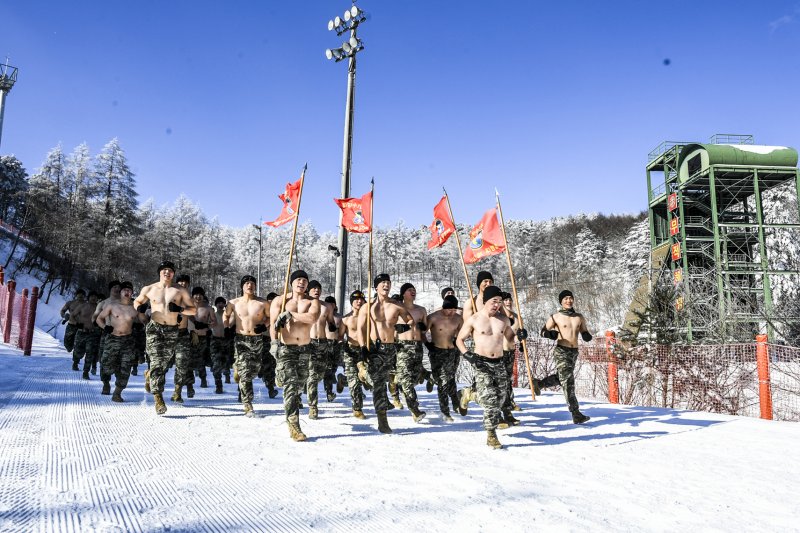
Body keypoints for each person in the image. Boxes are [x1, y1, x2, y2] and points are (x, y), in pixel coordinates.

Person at [456, 285, 528, 449]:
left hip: (499, 363)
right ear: (486, 300)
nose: (497, 305)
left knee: (502, 398)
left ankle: (469, 394)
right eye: (494, 301)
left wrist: (520, 336)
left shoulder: (503, 320)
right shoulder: (474, 319)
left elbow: (510, 339)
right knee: (491, 402)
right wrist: (468, 355)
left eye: (500, 302)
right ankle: (491, 434)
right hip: (481, 363)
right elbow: (459, 340)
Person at [133, 261, 197, 415]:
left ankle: (150, 375)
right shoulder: (149, 288)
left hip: (172, 329)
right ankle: (158, 399)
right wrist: (139, 308)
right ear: (159, 272)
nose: (167, 273)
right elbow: (137, 301)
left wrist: (180, 309)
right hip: (155, 328)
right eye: (164, 270)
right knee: (156, 362)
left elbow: (193, 310)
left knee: (163, 364)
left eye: (170, 270)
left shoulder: (180, 290)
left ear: (173, 273)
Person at [357, 273, 417, 434]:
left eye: (388, 282)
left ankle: (363, 373)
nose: (386, 285)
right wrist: (363, 347)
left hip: (390, 349)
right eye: (382, 282)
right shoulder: (367, 307)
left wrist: (404, 327)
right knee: (379, 385)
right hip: (374, 349)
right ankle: (382, 419)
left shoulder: (397, 306)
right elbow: (360, 329)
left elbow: (411, 321)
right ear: (376, 287)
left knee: (384, 380)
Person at [269, 270, 320, 441]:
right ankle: (294, 426)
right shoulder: (280, 300)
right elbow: (273, 325)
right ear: (291, 282)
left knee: (300, 385)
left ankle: (280, 376)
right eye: (298, 279)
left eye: (305, 280)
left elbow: (312, 318)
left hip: (305, 349)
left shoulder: (312, 302)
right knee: (291, 387)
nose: (302, 282)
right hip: (287, 349)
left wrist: (292, 315)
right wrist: (274, 343)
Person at [536, 290, 592, 424]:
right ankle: (575, 412)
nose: (568, 300)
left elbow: (584, 330)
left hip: (574, 352)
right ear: (561, 301)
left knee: (563, 379)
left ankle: (539, 383)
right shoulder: (555, 317)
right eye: (565, 298)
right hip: (561, 351)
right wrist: (549, 335)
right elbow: (543, 331)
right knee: (568, 381)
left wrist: (586, 335)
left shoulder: (579, 317)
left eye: (570, 298)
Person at [223, 275, 269, 417]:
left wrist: (264, 326)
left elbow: (270, 317)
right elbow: (226, 315)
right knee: (246, 374)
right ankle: (248, 404)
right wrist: (226, 327)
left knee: (254, 370)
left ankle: (238, 368)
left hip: (257, 340)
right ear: (242, 286)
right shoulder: (233, 302)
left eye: (252, 283)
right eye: (247, 283)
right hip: (241, 339)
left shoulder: (263, 303)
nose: (250, 285)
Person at [95, 281, 141, 402]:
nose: (127, 292)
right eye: (124, 290)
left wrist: (141, 320)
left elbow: (144, 320)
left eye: (129, 290)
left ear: (132, 293)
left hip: (128, 341)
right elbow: (99, 318)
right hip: (112, 338)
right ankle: (106, 383)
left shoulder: (135, 307)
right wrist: (105, 327)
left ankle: (117, 392)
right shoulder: (111, 306)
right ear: (120, 292)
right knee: (106, 365)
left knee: (126, 368)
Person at [458, 271, 495, 412]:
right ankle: (494, 415)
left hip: (496, 345)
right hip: (480, 346)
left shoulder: (497, 302)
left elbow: (507, 321)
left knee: (497, 382)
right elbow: (467, 327)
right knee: (486, 382)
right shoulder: (471, 302)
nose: (488, 284)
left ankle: (468, 393)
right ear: (479, 284)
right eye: (485, 281)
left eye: (490, 281)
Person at [426, 294, 464, 421]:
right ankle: (446, 410)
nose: (452, 312)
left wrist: (457, 341)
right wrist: (427, 344)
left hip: (452, 352)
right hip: (437, 352)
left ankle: (451, 406)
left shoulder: (458, 318)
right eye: (450, 309)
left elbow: (462, 334)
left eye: (454, 310)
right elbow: (421, 331)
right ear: (443, 307)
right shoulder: (433, 317)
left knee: (448, 379)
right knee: (442, 381)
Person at [394, 283, 428, 422]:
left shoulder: (421, 310)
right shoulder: (397, 308)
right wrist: (398, 329)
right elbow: (387, 326)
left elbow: (425, 329)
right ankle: (415, 409)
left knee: (413, 379)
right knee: (407, 380)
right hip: (403, 346)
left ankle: (403, 390)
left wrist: (423, 327)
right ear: (403, 293)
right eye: (409, 290)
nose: (413, 292)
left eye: (414, 290)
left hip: (417, 346)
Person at [306, 280, 337, 419]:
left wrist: (331, 325)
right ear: (308, 290)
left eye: (318, 288)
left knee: (321, 373)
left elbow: (331, 321)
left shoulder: (326, 306)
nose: (316, 290)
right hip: (309, 342)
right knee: (311, 375)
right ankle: (313, 406)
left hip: (323, 343)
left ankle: (312, 394)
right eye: (313, 288)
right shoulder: (305, 304)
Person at [341, 290, 367, 419]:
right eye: (356, 299)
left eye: (361, 299)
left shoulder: (369, 318)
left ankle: (343, 379)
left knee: (367, 380)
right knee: (354, 382)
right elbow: (340, 336)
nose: (359, 301)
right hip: (350, 351)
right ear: (351, 302)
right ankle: (357, 408)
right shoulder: (346, 319)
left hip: (365, 351)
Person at [170, 273, 195, 403]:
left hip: (183, 334)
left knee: (182, 364)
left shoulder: (188, 299)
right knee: (162, 364)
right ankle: (151, 379)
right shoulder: (169, 295)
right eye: (181, 282)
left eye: (186, 283)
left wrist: (194, 331)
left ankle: (177, 392)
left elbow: (193, 315)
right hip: (167, 334)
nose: (183, 284)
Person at [501, 292, 522, 415]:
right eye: (505, 300)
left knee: (508, 378)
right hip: (499, 352)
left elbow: (517, 335)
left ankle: (509, 401)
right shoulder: (498, 317)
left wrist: (521, 338)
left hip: (510, 351)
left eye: (510, 300)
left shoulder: (517, 317)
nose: (508, 302)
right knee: (501, 380)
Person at [189, 287, 214, 389]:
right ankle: (189, 384)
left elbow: (214, 322)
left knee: (201, 360)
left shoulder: (208, 308)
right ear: (192, 295)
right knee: (188, 361)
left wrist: (207, 326)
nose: (198, 297)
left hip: (203, 337)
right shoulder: (188, 307)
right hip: (190, 336)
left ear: (203, 296)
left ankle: (203, 379)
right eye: (196, 294)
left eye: (200, 295)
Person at [72, 291, 100, 378]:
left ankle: (86, 372)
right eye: (92, 296)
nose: (93, 298)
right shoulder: (82, 306)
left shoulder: (99, 308)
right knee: (78, 352)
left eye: (95, 296)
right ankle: (76, 362)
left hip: (92, 334)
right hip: (81, 332)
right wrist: (77, 323)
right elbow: (73, 315)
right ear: (88, 297)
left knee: (90, 353)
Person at [257, 292, 279, 398]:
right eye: (270, 301)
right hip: (264, 340)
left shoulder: (280, 311)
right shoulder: (264, 311)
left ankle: (271, 383)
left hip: (276, 340)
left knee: (274, 365)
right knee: (266, 365)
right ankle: (270, 388)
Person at [323, 296, 344, 402]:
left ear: (335, 305)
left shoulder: (339, 317)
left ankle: (331, 385)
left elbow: (341, 333)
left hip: (336, 344)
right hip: (325, 344)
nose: (330, 306)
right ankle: (329, 391)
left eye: (332, 303)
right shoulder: (323, 316)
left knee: (333, 368)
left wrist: (341, 343)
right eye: (328, 303)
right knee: (328, 370)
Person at [210, 297, 230, 394]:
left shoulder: (228, 315)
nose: (220, 304)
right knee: (216, 364)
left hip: (226, 340)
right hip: (215, 341)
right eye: (219, 303)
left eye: (222, 303)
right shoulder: (213, 315)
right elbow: (208, 324)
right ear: (216, 304)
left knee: (226, 362)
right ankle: (219, 385)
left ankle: (227, 375)